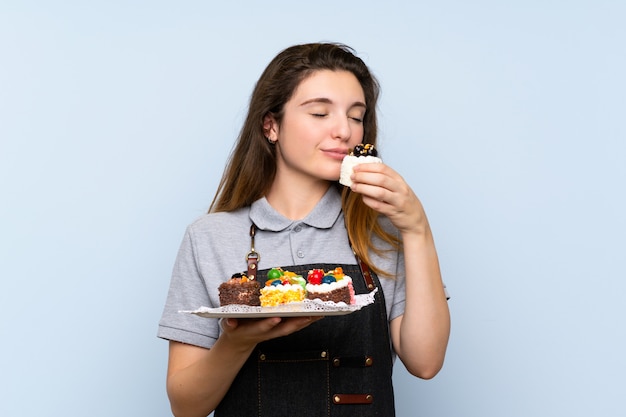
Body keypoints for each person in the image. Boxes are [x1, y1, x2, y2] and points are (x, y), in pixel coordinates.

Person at [157, 42, 450, 417]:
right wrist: (234, 343)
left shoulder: (382, 232)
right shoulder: (209, 237)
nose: (344, 130)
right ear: (271, 125)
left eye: (356, 116)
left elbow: (425, 363)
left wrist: (418, 230)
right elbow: (186, 407)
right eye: (319, 113)